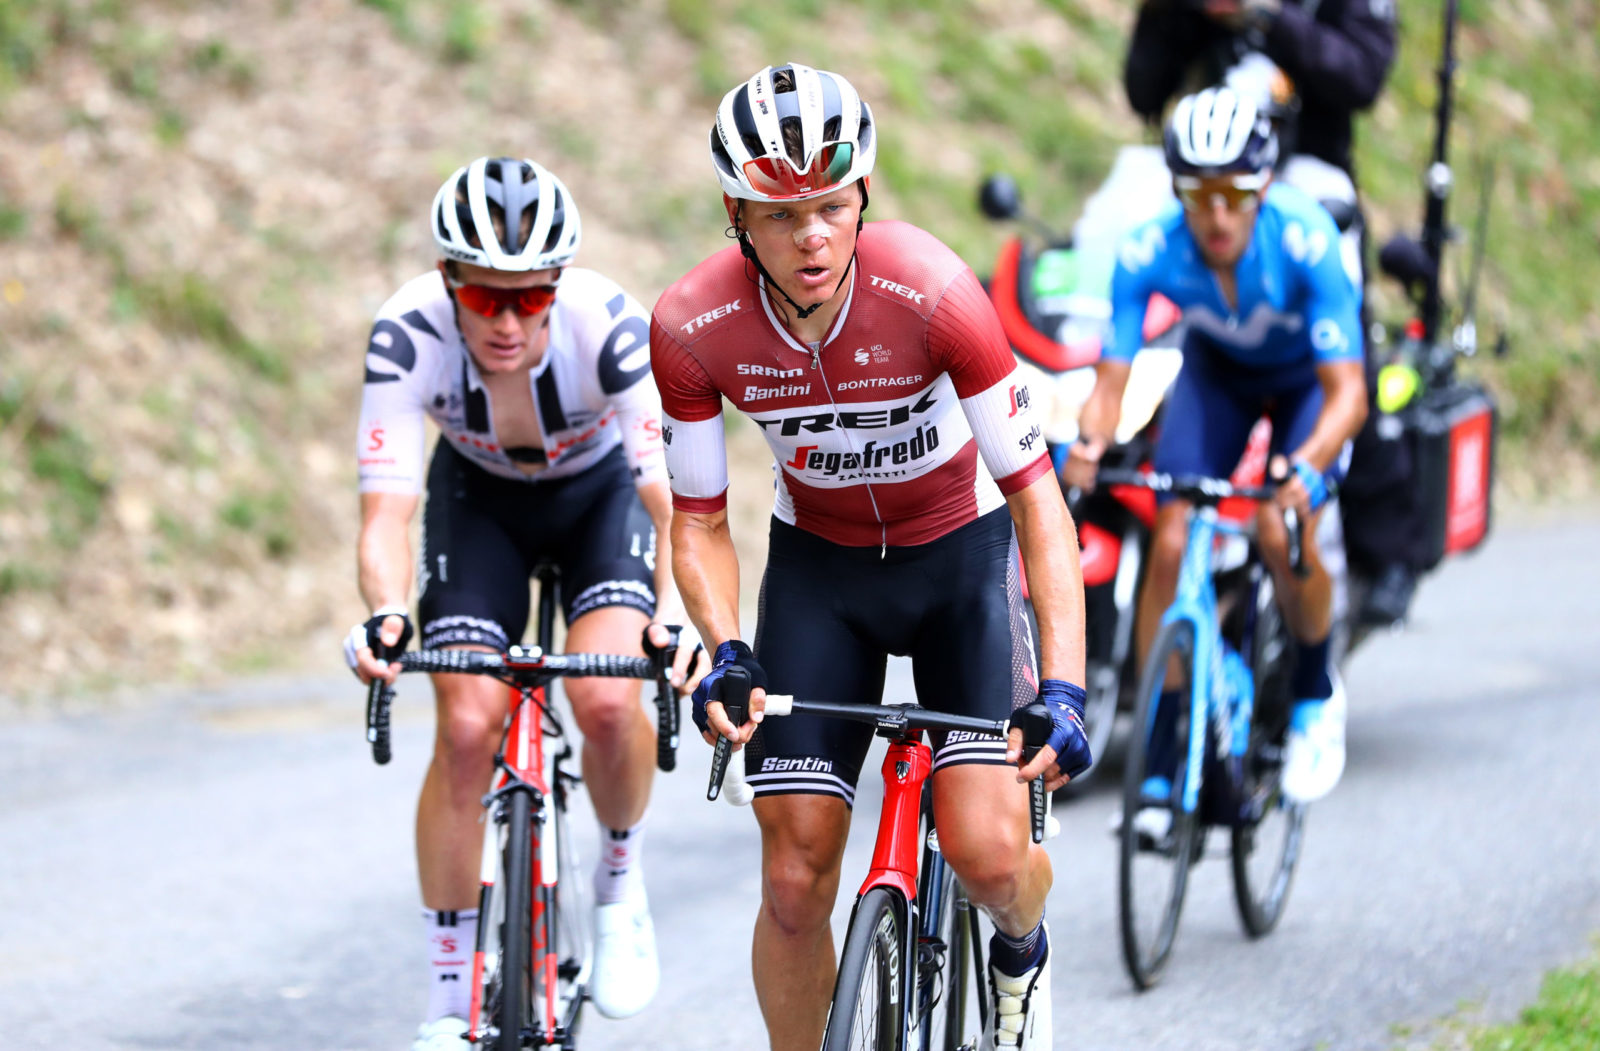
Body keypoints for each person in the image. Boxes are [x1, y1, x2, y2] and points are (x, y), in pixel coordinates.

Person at [649, 63, 1092, 1051]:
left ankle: (1021, 951)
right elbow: (699, 520)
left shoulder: (934, 292)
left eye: (832, 206)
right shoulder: (692, 328)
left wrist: (1064, 686)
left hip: (960, 560)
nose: (812, 236)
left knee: (987, 854)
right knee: (793, 877)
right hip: (824, 574)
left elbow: (1036, 499)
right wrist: (726, 648)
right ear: (736, 215)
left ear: (863, 196)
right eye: (782, 214)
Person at [343, 156, 694, 1051]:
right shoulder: (406, 333)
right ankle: (448, 992)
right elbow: (385, 514)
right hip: (480, 503)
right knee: (467, 725)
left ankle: (620, 880)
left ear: (558, 287)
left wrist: (676, 615)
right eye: (482, 296)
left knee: (607, 697)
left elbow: (672, 504)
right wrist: (386, 613)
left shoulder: (612, 329)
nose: (505, 322)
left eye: (531, 298)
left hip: (600, 500)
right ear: (446, 281)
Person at [1064, 87, 1367, 807]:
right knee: (1170, 539)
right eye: (1198, 196)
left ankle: (1315, 693)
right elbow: (1111, 378)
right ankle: (1162, 749)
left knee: (1280, 526)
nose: (1218, 216)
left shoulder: (1304, 239)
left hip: (1309, 385)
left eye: (1235, 194)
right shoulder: (1149, 248)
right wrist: (1089, 442)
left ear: (1264, 185)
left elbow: (1350, 394)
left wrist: (1307, 466)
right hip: (1219, 375)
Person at [1122, 0, 1417, 627]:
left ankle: (1383, 547)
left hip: (1307, 175)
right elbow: (1142, 87)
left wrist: (1265, 15)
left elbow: (1361, 76)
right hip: (1199, 168)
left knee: (1340, 355)